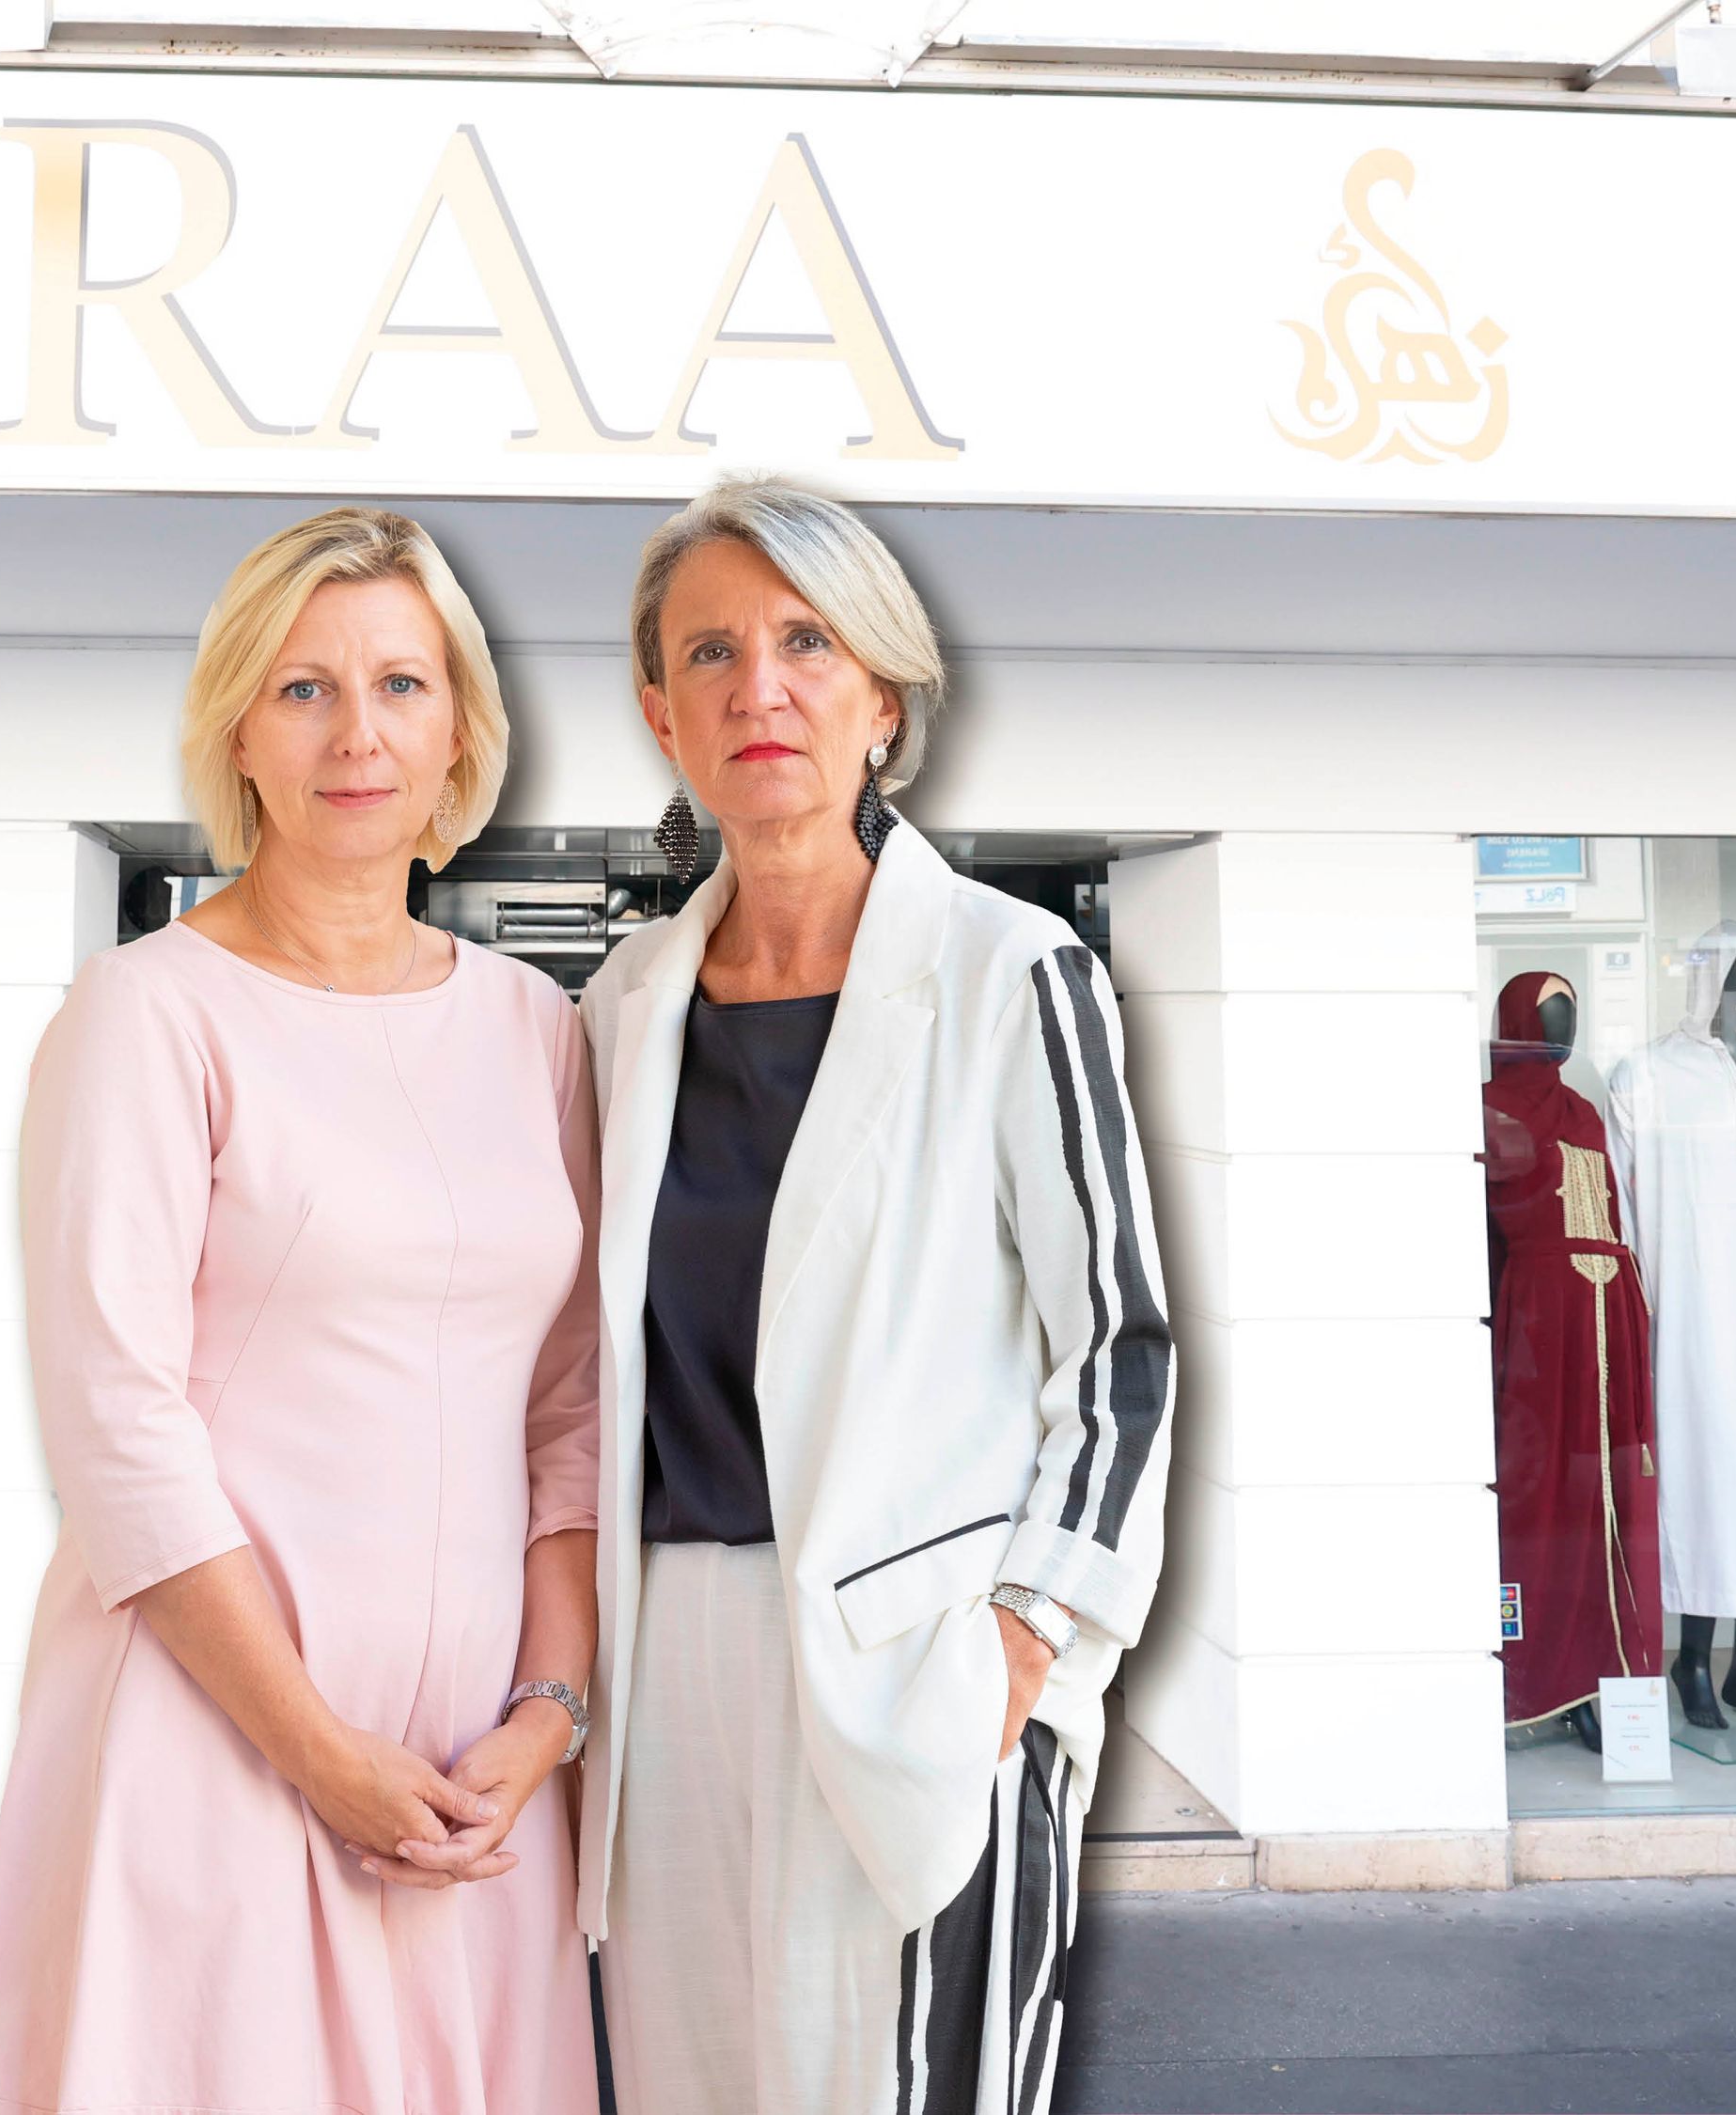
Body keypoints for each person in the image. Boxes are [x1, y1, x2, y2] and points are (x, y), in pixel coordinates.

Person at [0, 509, 602, 2115]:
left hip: (471, 1778)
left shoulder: (538, 1028)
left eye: (400, 683)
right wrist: (315, 1747)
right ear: (239, 727)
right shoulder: (148, 1015)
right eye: (306, 689)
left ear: (460, 733)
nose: (357, 732)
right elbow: (118, 1429)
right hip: (223, 1741)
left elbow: (573, 1413)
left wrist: (551, 1709)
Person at [580, 477, 1172, 2113]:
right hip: (668, 1672)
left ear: (882, 700)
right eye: (711, 651)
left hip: (918, 1655)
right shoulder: (621, 1006)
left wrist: (1027, 1638)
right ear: (659, 711)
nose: (757, 686)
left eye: (805, 642)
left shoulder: (1009, 974)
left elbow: (1117, 1352)